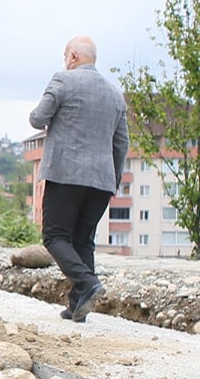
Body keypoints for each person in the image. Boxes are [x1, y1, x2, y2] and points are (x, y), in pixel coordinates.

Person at [29, 35, 128, 322]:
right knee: (83, 240)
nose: (64, 61)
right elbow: (121, 144)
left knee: (55, 236)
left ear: (73, 57)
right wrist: (114, 179)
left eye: (65, 56)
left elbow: (38, 119)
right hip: (102, 179)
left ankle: (87, 283)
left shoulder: (63, 80)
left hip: (66, 174)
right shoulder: (115, 94)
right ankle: (77, 306)